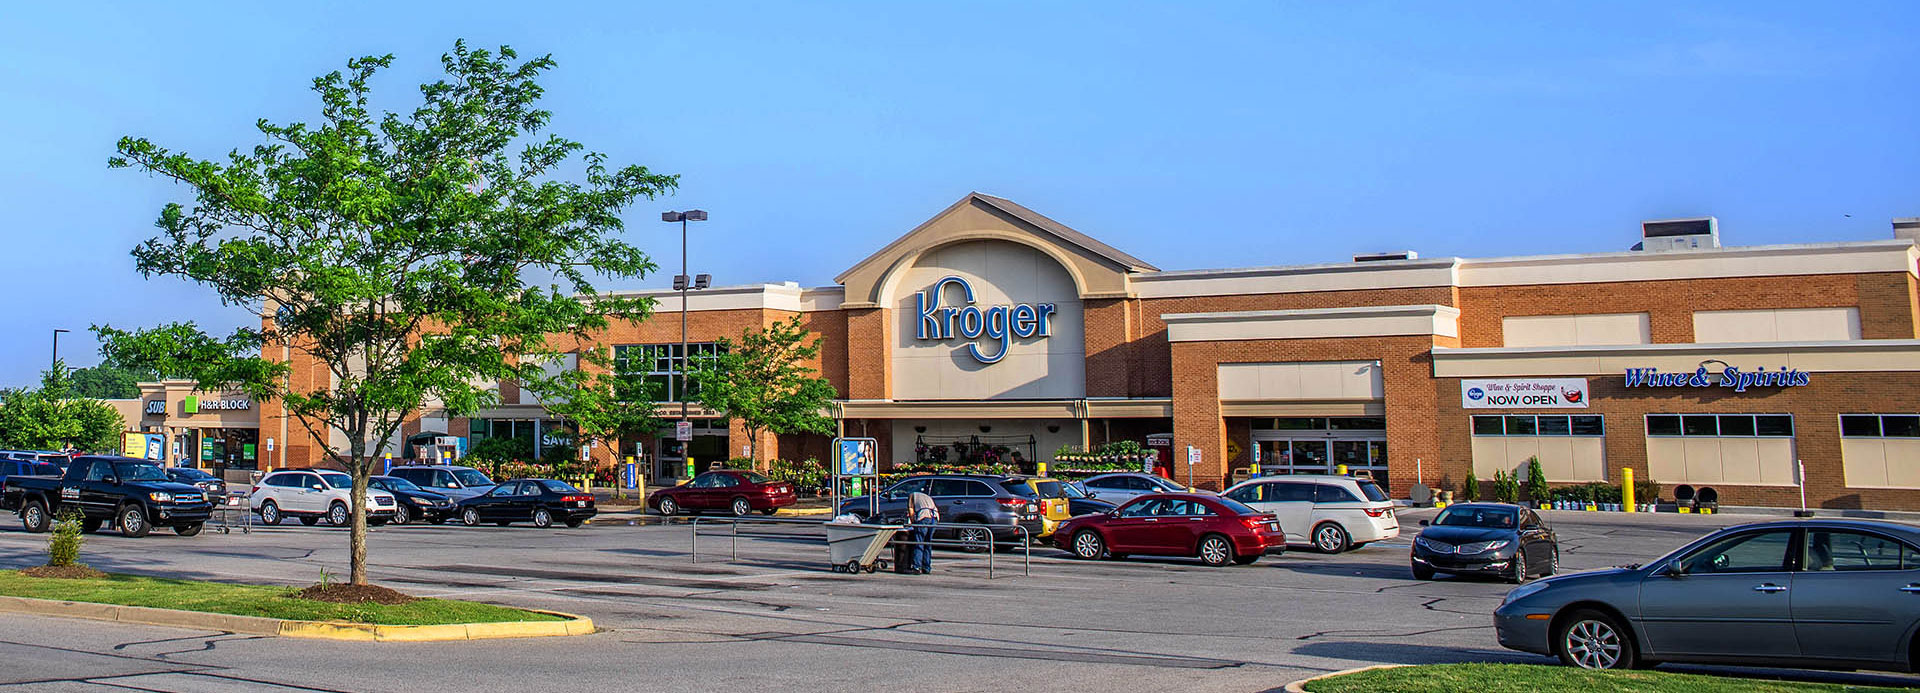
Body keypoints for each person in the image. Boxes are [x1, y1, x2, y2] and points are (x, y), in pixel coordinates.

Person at [907, 491, 938, 575]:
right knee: (927, 543)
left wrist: (913, 523)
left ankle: (916, 567)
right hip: (934, 517)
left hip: (923, 517)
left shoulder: (912, 496)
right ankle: (926, 567)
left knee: (919, 542)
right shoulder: (926, 496)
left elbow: (911, 511)